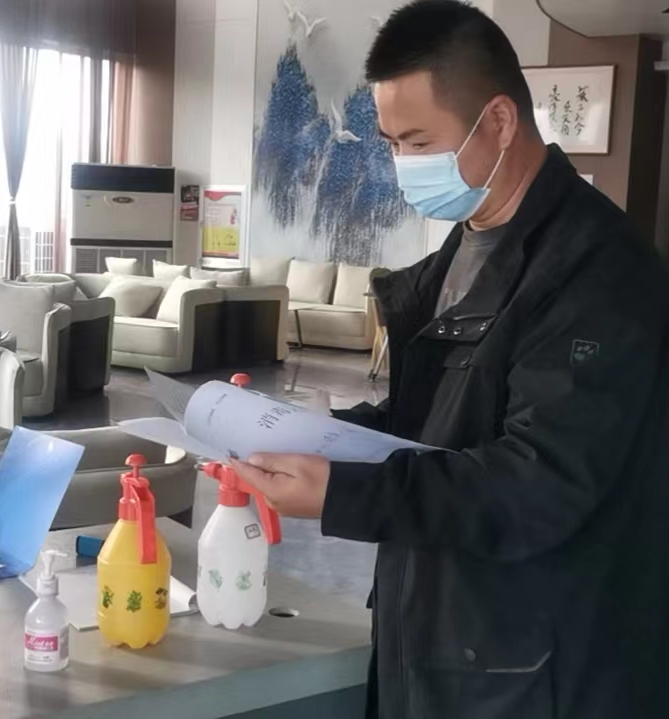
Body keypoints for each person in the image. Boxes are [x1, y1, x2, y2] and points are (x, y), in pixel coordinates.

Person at [233, 2, 669, 718]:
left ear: (498, 121)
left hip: (534, 666)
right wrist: (310, 435)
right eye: (391, 143)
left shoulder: (597, 273)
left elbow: (538, 483)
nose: (402, 164)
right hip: (443, 628)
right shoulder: (468, 239)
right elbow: (439, 419)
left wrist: (346, 494)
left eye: (418, 142)